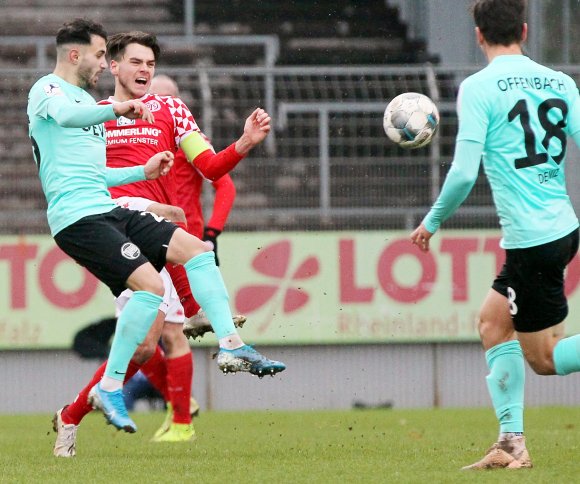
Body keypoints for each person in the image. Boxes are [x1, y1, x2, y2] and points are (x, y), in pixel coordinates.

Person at [49, 25, 285, 456]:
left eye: (151, 64)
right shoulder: (93, 115)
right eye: (136, 62)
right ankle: (78, 414)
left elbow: (211, 168)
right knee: (144, 345)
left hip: (155, 233)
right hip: (117, 228)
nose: (144, 70)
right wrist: (145, 203)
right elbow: (87, 184)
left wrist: (245, 143)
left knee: (183, 280)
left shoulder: (172, 110)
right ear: (113, 66)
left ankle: (220, 348)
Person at [410, 0, 580, 470]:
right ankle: (510, 444)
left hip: (532, 240)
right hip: (560, 228)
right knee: (491, 322)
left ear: (479, 35)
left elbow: (464, 173)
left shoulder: (479, 88)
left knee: (544, 360)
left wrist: (432, 221)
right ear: (524, 30)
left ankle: (513, 445)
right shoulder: (561, 82)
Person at [149, 74, 243, 340]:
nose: (163, 104)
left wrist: (211, 234)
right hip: (145, 239)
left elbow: (225, 186)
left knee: (171, 337)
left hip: (182, 243)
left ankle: (231, 347)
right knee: (147, 342)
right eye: (157, 99)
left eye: (170, 99)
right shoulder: (136, 138)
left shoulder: (191, 141)